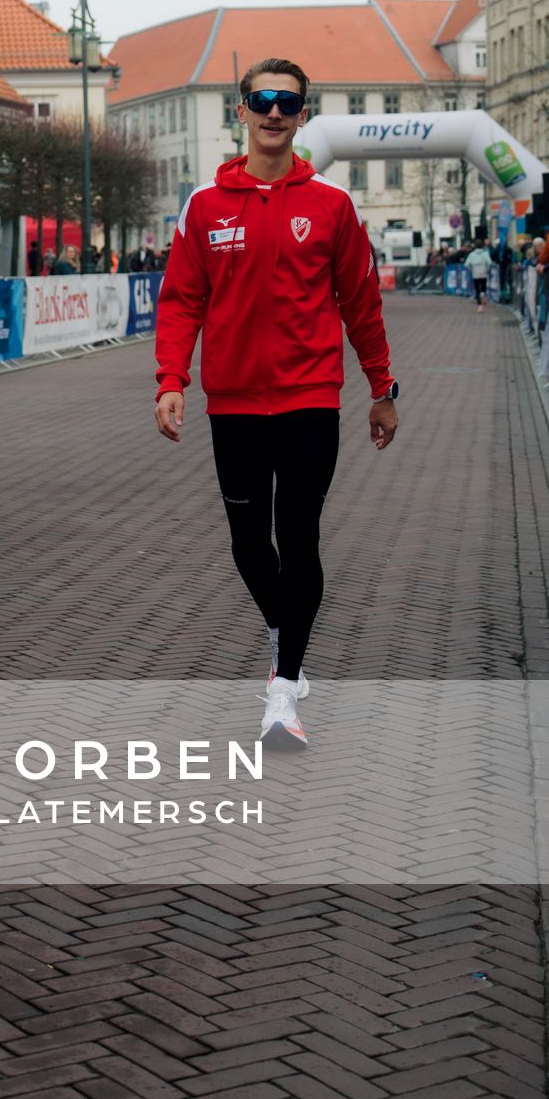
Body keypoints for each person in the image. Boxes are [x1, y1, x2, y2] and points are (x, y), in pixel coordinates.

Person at [154, 57, 397, 750]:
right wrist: (171, 379)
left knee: (300, 535)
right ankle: (283, 630)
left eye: (287, 103)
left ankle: (283, 691)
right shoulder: (203, 207)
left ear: (302, 115)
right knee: (248, 545)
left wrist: (382, 389)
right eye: (261, 100)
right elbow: (180, 301)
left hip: (309, 398)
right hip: (231, 403)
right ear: (241, 111)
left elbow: (362, 305)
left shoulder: (331, 206)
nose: (273, 112)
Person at [464, 240, 492, 309]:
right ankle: (483, 294)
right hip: (483, 273)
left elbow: (466, 264)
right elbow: (490, 263)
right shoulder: (485, 254)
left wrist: (471, 269)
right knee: (483, 286)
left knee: (477, 289)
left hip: (475, 273)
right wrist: (487, 269)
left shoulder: (472, 254)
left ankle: (479, 306)